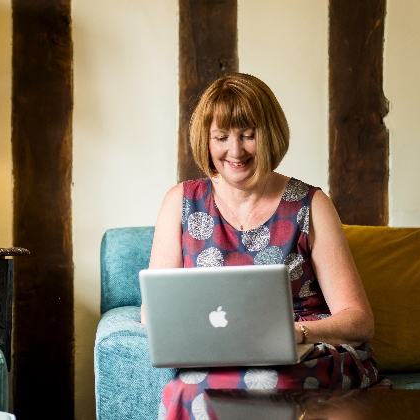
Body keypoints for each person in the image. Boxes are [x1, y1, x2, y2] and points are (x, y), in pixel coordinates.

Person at [141, 73, 389, 420]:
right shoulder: (180, 201)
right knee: (187, 388)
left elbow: (359, 321)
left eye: (248, 135)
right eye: (221, 137)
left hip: (306, 350)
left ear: (269, 134)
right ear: (207, 140)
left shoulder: (310, 203)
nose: (235, 151)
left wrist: (296, 332)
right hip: (220, 356)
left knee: (266, 379)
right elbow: (154, 309)